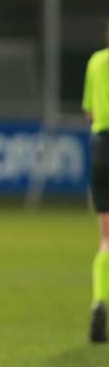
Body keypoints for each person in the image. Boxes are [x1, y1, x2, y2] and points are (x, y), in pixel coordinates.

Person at [84, 23, 109, 343]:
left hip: (101, 147)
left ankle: (99, 301)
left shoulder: (95, 62)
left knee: (107, 237)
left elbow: (90, 113)